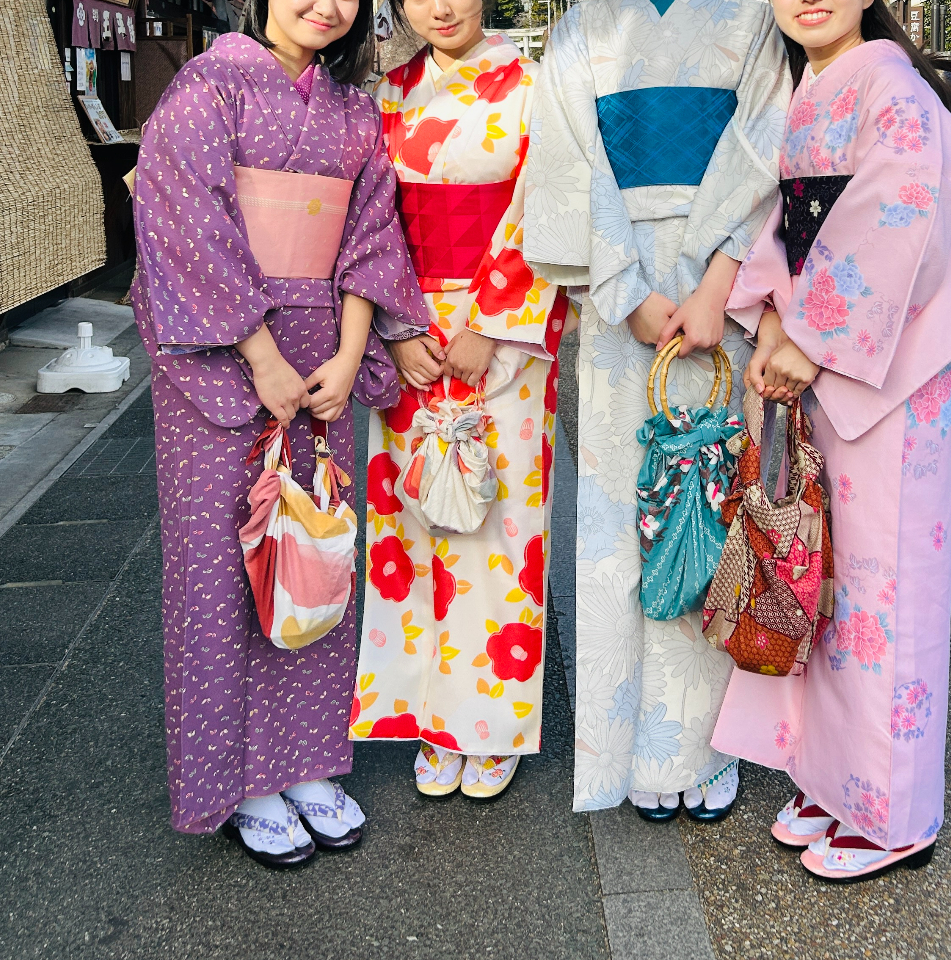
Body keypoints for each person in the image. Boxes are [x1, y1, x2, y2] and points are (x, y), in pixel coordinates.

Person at [131, 0, 430, 868]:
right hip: (223, 356)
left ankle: (306, 763)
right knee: (221, 569)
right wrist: (259, 355)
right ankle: (238, 782)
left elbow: (372, 232)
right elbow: (185, 223)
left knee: (314, 555)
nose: (326, 6)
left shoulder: (354, 108)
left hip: (318, 359)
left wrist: (348, 356)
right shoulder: (209, 85)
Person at [711, 0, 951, 881]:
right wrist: (767, 319)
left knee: (888, 584)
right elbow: (788, 225)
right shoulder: (817, 86)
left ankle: (896, 810)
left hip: (893, 370)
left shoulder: (897, 91)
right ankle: (837, 779)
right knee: (829, 573)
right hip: (829, 356)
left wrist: (804, 334)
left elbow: (899, 220)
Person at [524, 0, 791, 821]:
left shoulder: (752, 18)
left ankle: (706, 747)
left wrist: (718, 282)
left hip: (721, 289)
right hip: (620, 291)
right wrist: (624, 291)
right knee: (617, 521)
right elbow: (569, 165)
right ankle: (627, 745)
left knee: (709, 511)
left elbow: (768, 145)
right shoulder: (581, 29)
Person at [347, 0, 570, 801]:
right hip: (409, 334)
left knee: (498, 526)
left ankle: (491, 724)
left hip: (498, 331)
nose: (441, 7)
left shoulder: (535, 87)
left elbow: (551, 203)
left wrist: (494, 325)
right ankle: (426, 713)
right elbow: (370, 220)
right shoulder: (390, 92)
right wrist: (400, 328)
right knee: (411, 525)